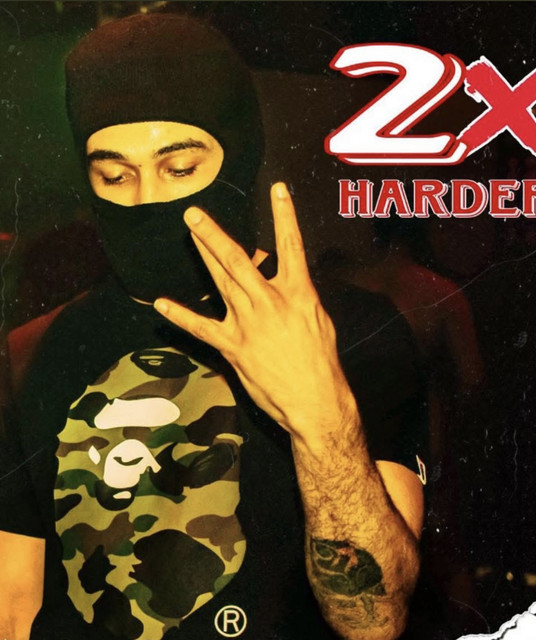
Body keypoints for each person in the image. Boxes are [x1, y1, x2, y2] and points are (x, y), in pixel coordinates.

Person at [0, 13, 428, 640]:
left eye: (179, 169)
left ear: (240, 156)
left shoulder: (348, 327)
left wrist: (321, 419)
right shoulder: (35, 349)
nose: (147, 198)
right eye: (114, 175)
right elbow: (14, 604)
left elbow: (375, 619)